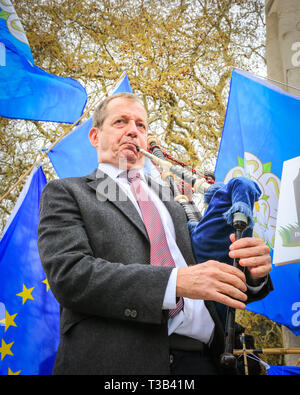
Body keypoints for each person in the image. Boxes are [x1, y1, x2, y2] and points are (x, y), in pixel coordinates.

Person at [37, 92, 272, 375]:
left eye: (141, 125)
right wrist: (174, 282)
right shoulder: (67, 192)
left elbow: (206, 278)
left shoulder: (172, 203)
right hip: (119, 364)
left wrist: (252, 275)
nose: (133, 131)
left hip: (208, 361)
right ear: (95, 137)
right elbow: (70, 275)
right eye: (120, 122)